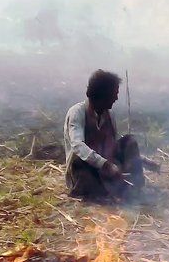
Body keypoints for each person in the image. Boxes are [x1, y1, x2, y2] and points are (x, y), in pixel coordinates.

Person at [63, 69, 159, 200]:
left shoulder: (109, 115)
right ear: (102, 95)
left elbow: (113, 147)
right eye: (114, 94)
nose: (116, 98)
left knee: (129, 141)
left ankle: (135, 187)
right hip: (84, 171)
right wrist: (105, 165)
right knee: (81, 160)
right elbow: (78, 146)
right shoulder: (77, 113)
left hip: (106, 168)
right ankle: (94, 191)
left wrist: (143, 162)